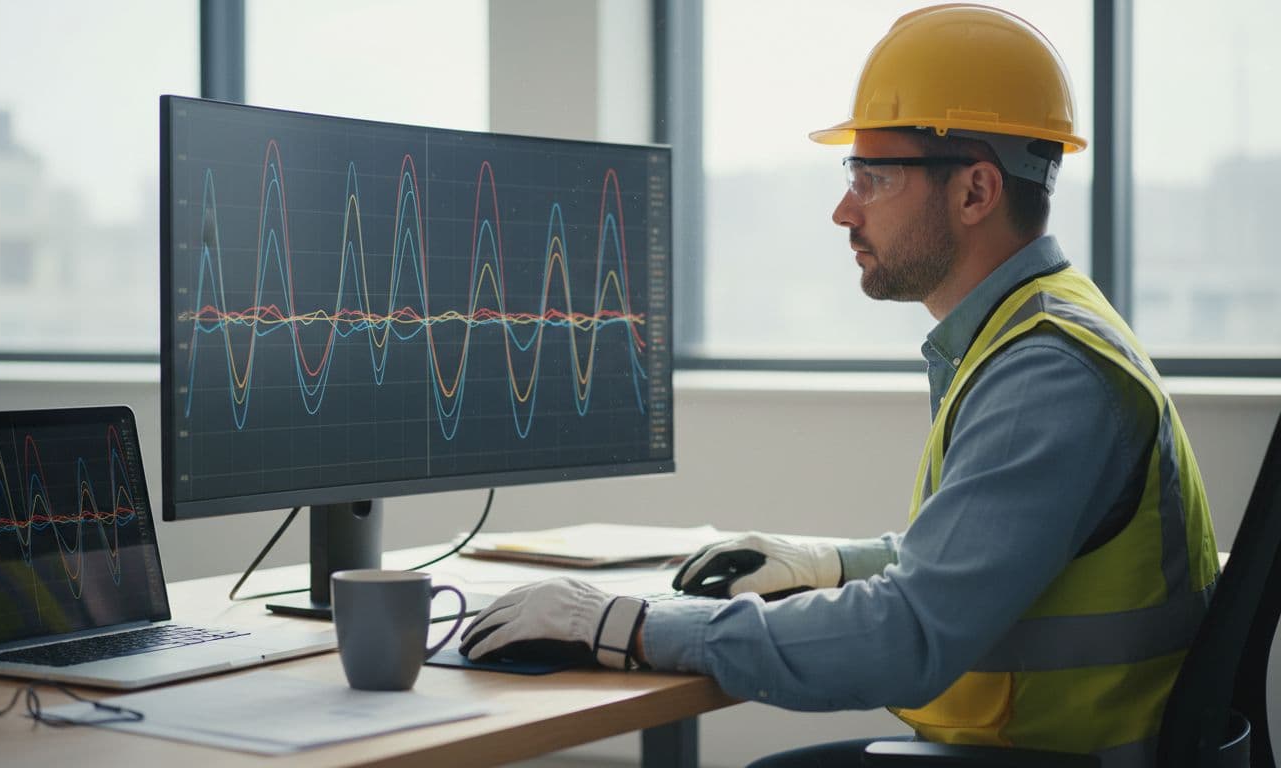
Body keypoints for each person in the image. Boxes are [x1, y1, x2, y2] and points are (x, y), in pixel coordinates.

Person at [459, 5, 1220, 766]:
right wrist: (833, 563)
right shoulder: (1040, 330)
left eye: (873, 177)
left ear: (976, 192)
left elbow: (907, 636)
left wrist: (624, 626)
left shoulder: (1045, 374)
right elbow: (980, 555)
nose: (843, 209)